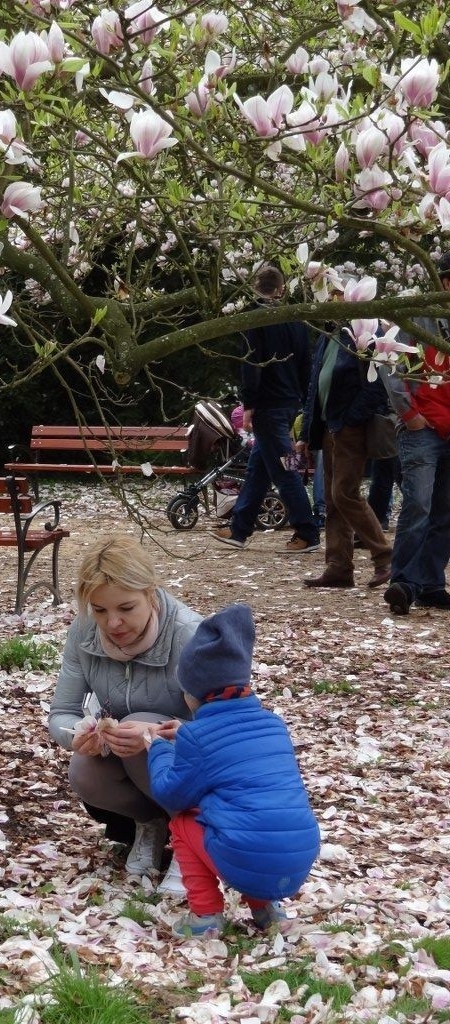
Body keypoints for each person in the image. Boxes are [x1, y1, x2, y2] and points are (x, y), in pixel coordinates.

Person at [145, 603, 320, 938]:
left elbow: (170, 792)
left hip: (249, 857)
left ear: (194, 694)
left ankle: (206, 916)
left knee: (183, 824)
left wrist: (159, 748)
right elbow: (237, 759)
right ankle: (266, 910)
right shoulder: (273, 725)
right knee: (249, 819)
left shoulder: (198, 736)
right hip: (298, 857)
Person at [48, 536, 203, 894]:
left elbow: (227, 727)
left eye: (126, 608)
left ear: (150, 592)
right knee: (84, 770)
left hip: (196, 765)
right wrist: (78, 734)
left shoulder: (189, 634)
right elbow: (62, 712)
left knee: (143, 727)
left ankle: (191, 838)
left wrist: (159, 731)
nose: (112, 623)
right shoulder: (84, 632)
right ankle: (149, 823)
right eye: (99, 610)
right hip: (133, 761)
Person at [214, 264, 320, 554]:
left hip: (268, 404)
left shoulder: (255, 319)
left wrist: (249, 403)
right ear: (282, 288)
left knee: (286, 470)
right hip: (288, 402)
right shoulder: (295, 320)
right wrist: (300, 399)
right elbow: (306, 365)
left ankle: (307, 531)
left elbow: (252, 363)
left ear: (254, 287)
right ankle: (239, 529)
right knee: (259, 468)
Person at [297, 284, 392, 589]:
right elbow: (316, 386)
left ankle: (385, 557)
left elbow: (376, 387)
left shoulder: (367, 334)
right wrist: (307, 431)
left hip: (348, 428)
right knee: (334, 499)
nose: (333, 299)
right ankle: (338, 566)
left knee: (344, 493)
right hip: (329, 426)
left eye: (338, 294)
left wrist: (351, 420)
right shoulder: (331, 334)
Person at [382, 253, 450, 615]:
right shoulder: (416, 317)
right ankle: (404, 581)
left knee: (446, 511)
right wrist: (409, 414)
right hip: (422, 427)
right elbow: (390, 365)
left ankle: (431, 582)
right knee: (418, 505)